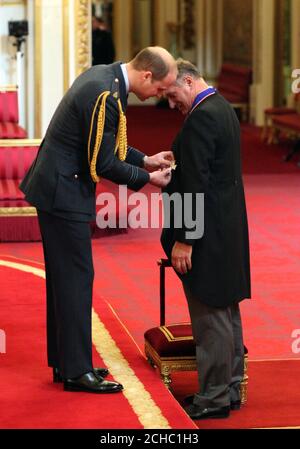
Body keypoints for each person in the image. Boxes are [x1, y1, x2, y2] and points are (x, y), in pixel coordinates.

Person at [20, 46, 177, 394]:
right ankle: (76, 371)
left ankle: (67, 362)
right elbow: (104, 163)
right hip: (63, 192)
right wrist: (147, 178)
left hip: (58, 187)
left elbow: (106, 144)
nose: (160, 96)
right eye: (161, 89)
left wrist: (145, 159)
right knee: (75, 277)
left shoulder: (106, 77)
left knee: (65, 278)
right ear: (147, 75)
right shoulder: (106, 92)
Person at [161, 59, 251, 419]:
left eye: (172, 95)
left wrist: (185, 239)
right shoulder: (222, 107)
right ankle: (229, 388)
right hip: (226, 227)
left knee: (210, 313)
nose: (171, 104)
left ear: (187, 80)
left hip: (205, 234)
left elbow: (195, 187)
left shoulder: (200, 117)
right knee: (226, 309)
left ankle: (213, 398)